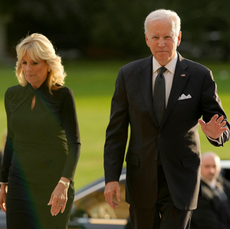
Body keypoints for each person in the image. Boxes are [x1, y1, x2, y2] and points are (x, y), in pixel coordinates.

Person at [103, 9, 230, 229]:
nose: (161, 43)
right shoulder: (128, 75)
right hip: (141, 177)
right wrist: (112, 178)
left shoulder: (200, 76)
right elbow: (116, 131)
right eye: (155, 37)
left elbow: (221, 126)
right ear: (146, 39)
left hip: (181, 179)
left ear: (178, 37)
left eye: (168, 37)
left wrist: (217, 135)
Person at [0, 33, 81, 229]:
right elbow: (11, 140)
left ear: (48, 63)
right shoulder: (12, 95)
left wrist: (64, 183)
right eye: (24, 62)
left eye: (34, 63)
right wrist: (2, 183)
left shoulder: (62, 95)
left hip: (53, 185)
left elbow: (74, 143)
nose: (28, 69)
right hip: (19, 185)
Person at [191, 152, 230, 229]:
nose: (211, 170)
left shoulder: (223, 183)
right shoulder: (198, 192)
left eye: (214, 166)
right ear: (200, 167)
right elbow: (208, 224)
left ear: (219, 168)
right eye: (207, 166)